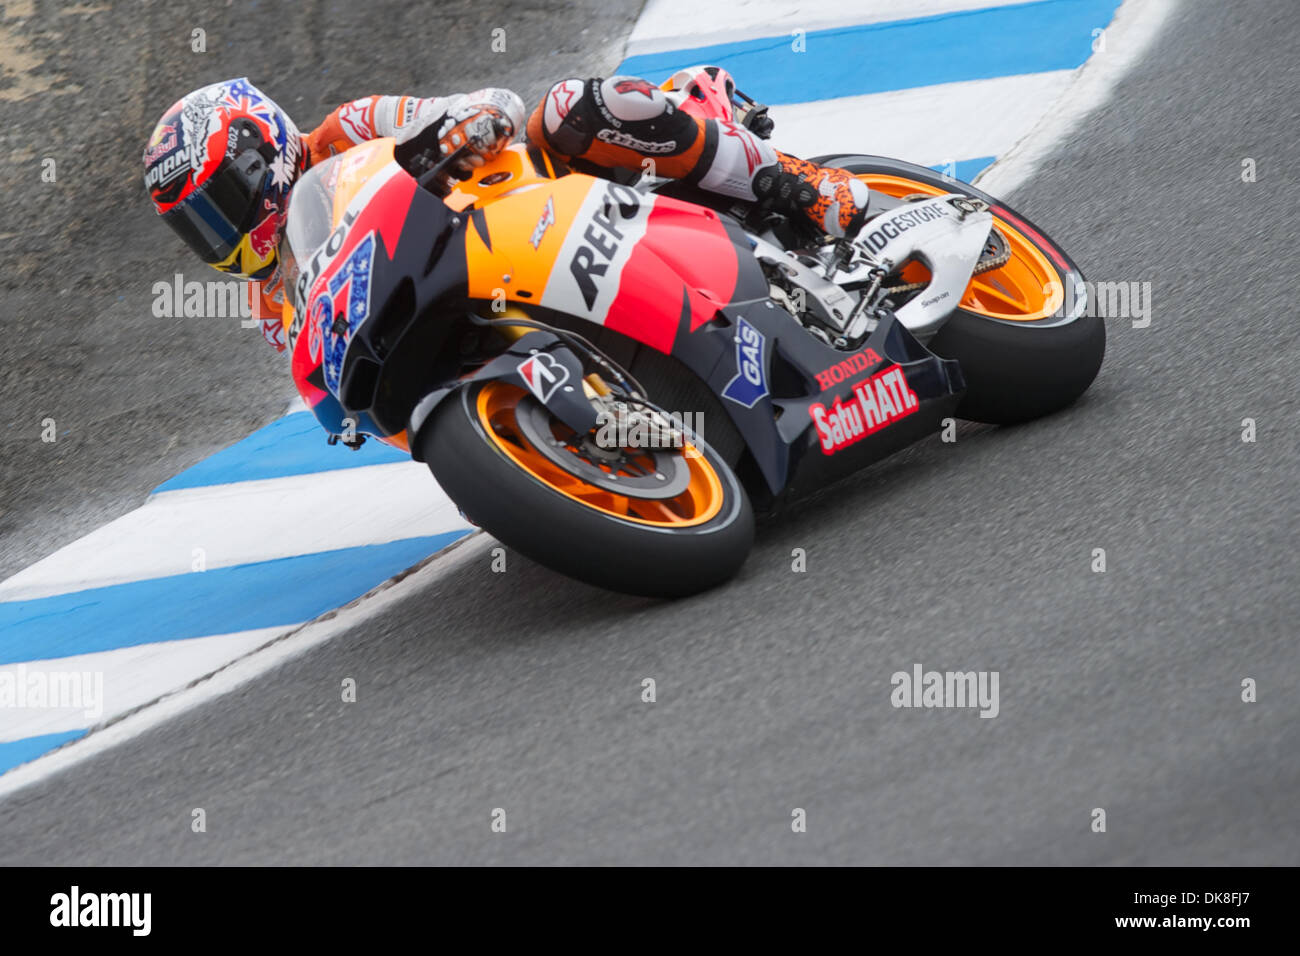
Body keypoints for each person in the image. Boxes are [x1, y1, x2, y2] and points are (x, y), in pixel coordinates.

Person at [143, 74, 871, 439]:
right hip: (473, 296)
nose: (220, 235)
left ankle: (795, 181)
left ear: (258, 155)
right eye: (198, 228)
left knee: (567, 109)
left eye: (220, 205)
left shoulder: (347, 130)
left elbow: (483, 103)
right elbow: (345, 408)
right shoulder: (274, 302)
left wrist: (465, 125)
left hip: (541, 207)